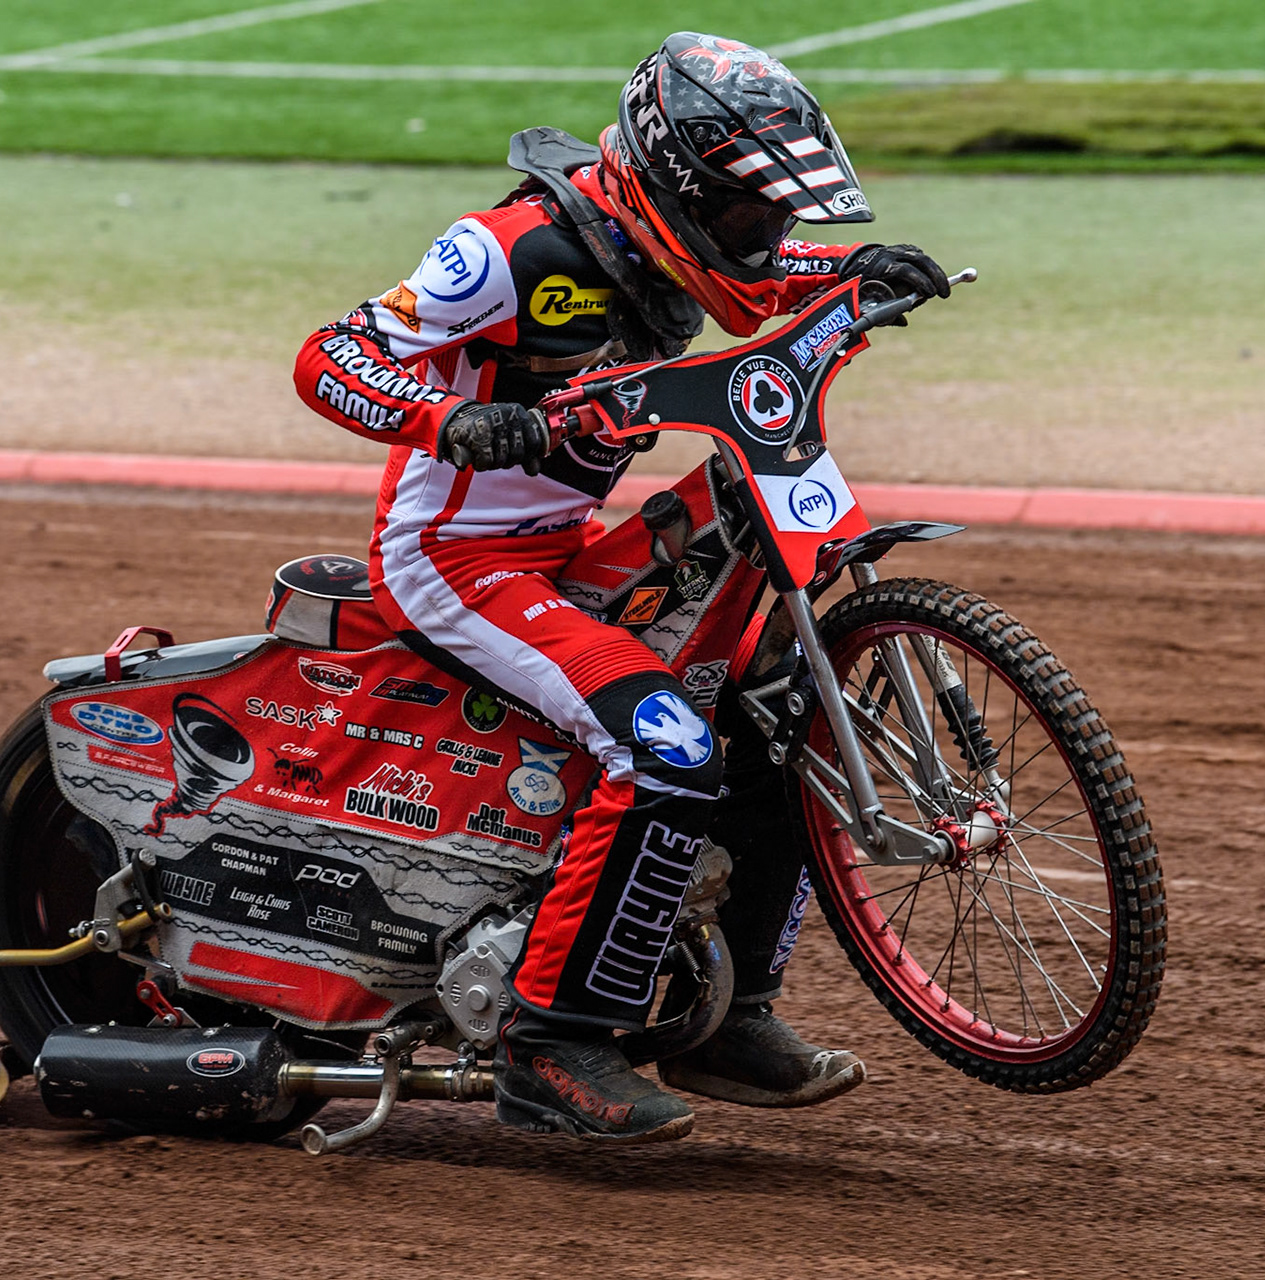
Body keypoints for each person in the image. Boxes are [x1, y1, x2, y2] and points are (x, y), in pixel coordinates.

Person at [293, 32, 952, 1143]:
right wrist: (446, 417)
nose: (768, 239)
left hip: (566, 550)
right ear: (677, 188)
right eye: (751, 216)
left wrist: (853, 271)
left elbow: (759, 290)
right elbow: (330, 355)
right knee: (662, 741)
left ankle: (729, 1012)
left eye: (776, 219)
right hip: (455, 562)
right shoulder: (506, 250)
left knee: (770, 705)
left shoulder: (670, 246)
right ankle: (551, 1041)